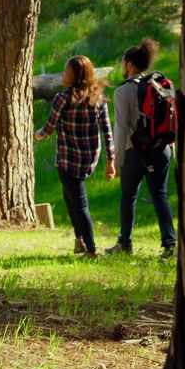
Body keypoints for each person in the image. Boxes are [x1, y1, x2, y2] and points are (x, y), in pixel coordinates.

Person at [35, 55, 116, 257]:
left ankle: (90, 249)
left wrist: (38, 135)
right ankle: (79, 241)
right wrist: (110, 162)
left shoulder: (62, 99)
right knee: (69, 196)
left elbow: (48, 129)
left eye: (66, 71)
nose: (63, 74)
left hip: (68, 159)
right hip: (89, 159)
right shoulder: (99, 99)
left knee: (80, 204)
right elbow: (107, 132)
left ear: (76, 75)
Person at [105, 38, 177, 259]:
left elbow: (121, 127)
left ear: (128, 65)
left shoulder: (123, 91)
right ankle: (170, 245)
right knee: (160, 196)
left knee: (128, 197)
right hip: (162, 149)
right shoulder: (160, 84)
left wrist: (116, 163)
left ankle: (124, 244)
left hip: (135, 153)